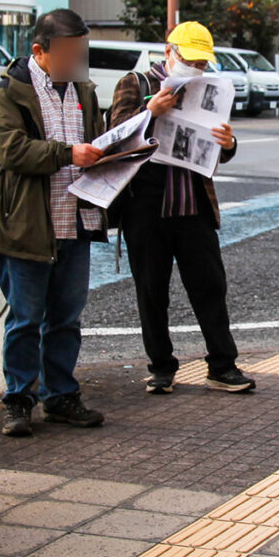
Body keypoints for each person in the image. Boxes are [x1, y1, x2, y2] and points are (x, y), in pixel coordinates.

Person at [0, 8, 109, 437]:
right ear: (40, 50)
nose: (77, 61)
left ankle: (61, 395)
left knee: (67, 318)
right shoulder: (9, 93)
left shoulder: (83, 92)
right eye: (70, 52)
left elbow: (92, 143)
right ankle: (17, 401)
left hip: (75, 220)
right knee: (24, 318)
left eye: (81, 53)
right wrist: (69, 153)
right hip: (26, 225)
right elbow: (11, 151)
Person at [107, 21, 252, 393]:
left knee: (210, 286)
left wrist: (229, 142)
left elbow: (219, 147)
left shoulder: (210, 88)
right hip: (145, 205)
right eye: (190, 60)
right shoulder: (136, 84)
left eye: (202, 63)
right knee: (151, 290)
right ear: (169, 52)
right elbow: (115, 135)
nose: (196, 68)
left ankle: (222, 365)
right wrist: (149, 110)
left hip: (193, 204)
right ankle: (161, 367)